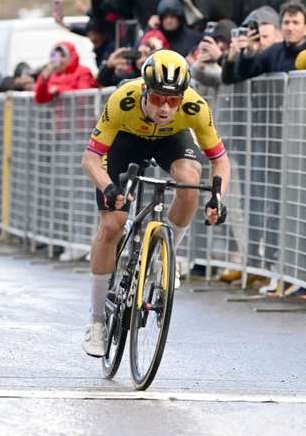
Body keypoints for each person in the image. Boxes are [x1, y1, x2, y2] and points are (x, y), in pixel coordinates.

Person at [80, 50, 231, 356]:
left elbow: (221, 161)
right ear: (145, 91)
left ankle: (165, 255)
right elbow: (91, 158)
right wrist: (108, 188)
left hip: (170, 140)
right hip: (124, 141)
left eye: (173, 100)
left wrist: (217, 197)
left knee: (190, 182)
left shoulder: (194, 106)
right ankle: (97, 322)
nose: (165, 107)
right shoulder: (123, 99)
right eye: (159, 98)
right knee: (112, 225)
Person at [221, 2, 306, 83]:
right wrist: (250, 53)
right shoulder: (274, 52)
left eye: (295, 23)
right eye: (286, 22)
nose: (290, 28)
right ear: (281, 26)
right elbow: (243, 74)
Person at [97, 30, 169, 88]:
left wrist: (160, 53)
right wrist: (109, 66)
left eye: (148, 55)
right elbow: (104, 81)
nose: (142, 60)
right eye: (139, 54)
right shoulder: (130, 78)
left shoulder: (167, 75)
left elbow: (167, 79)